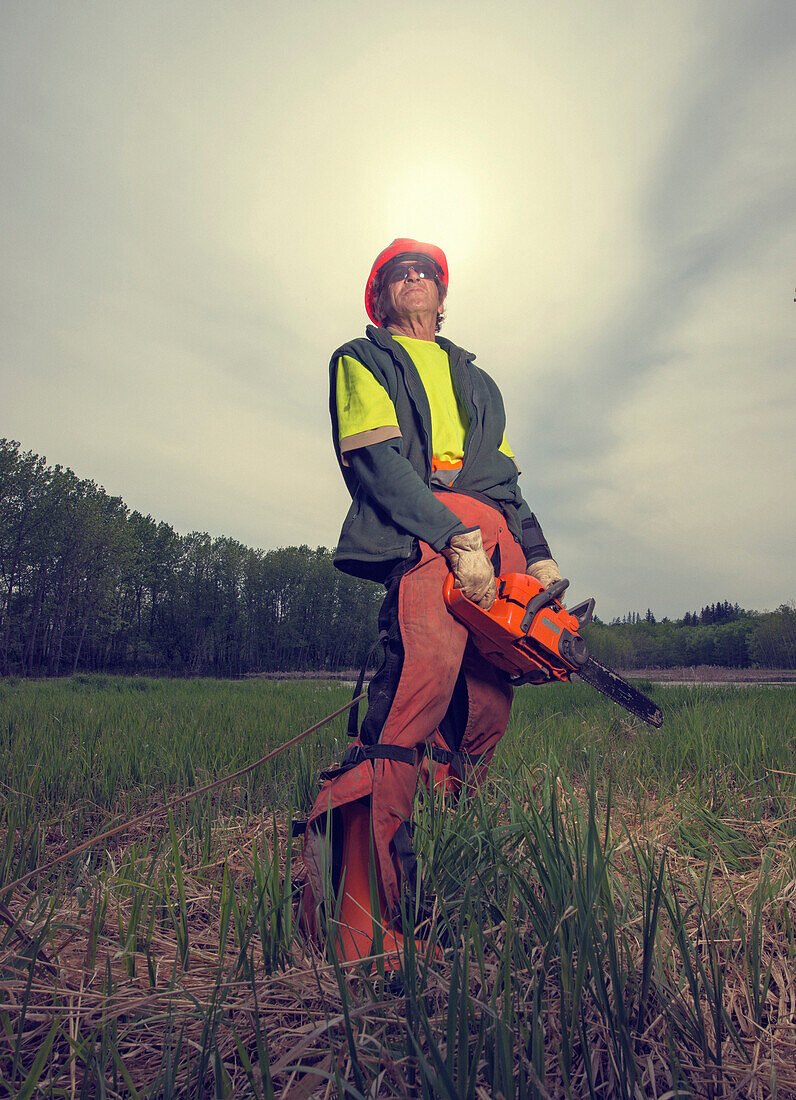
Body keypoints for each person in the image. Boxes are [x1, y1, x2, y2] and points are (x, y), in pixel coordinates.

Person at [300, 238, 560, 959]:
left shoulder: (477, 381)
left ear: (443, 297)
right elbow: (377, 462)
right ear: (381, 297)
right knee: (415, 693)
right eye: (398, 275)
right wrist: (450, 536)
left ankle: (450, 868)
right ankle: (366, 915)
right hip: (425, 527)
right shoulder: (363, 358)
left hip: (492, 533)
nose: (414, 280)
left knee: (486, 707)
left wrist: (535, 553)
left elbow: (504, 478)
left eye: (427, 273)